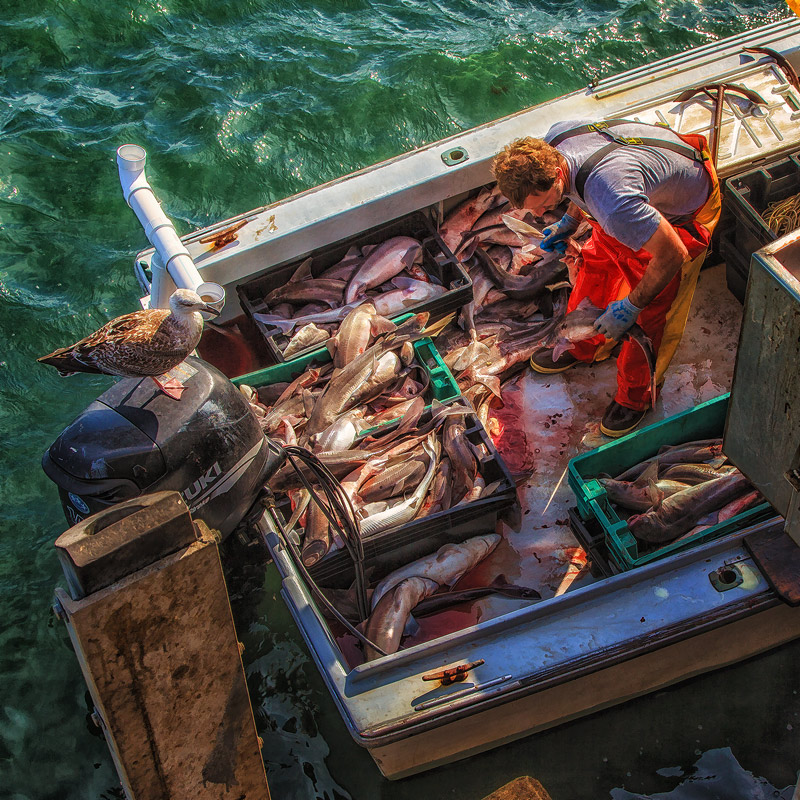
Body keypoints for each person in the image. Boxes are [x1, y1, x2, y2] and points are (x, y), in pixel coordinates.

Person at [492, 119, 721, 437]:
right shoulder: (556, 140)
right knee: (595, 269)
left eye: (547, 204)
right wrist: (567, 224)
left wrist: (630, 306)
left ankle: (637, 397)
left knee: (652, 313)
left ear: (557, 173)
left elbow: (672, 254)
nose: (545, 213)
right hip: (629, 203)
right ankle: (584, 345)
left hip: (679, 223)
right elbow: (580, 189)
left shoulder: (613, 202)